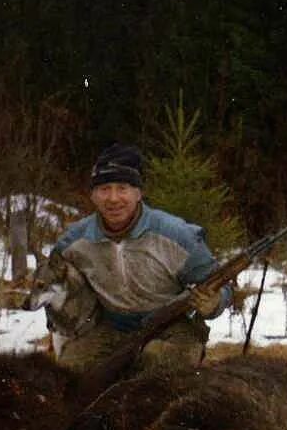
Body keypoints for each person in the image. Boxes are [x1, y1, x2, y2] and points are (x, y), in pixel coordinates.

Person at [39, 143, 231, 374]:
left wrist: (214, 303)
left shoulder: (178, 236)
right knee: (70, 375)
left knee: (156, 364)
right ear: (92, 195)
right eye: (104, 189)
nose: (113, 198)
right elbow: (53, 286)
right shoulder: (73, 243)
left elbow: (222, 285)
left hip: (172, 327)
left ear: (138, 193)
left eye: (123, 188)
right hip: (108, 327)